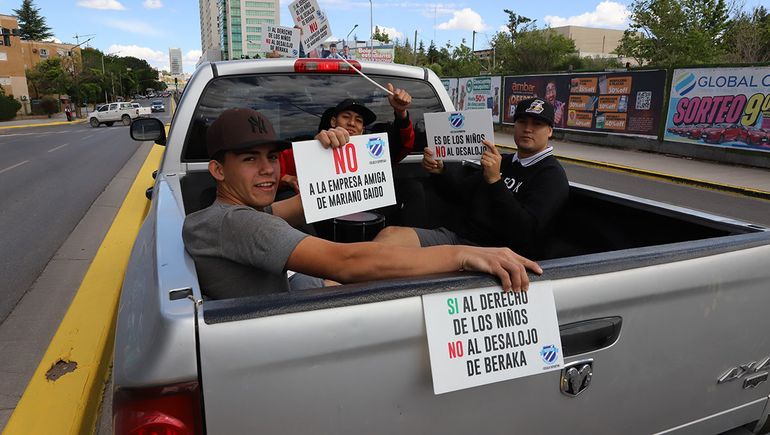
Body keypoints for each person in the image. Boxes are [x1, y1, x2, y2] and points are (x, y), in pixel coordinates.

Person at [182, 108, 542, 300]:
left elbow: (306, 205)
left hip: (305, 292)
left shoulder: (236, 213)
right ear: (217, 169)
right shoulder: (237, 223)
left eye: (272, 158)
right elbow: (348, 262)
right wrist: (461, 255)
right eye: (249, 159)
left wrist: (334, 157)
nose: (267, 170)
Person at [373, 97, 569, 259]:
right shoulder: (504, 161)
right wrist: (439, 171)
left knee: (400, 263)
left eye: (537, 124)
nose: (528, 129)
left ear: (550, 131)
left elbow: (526, 232)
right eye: (522, 122)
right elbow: (459, 194)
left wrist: (495, 182)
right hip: (460, 240)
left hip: (496, 255)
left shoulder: (551, 175)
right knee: (389, 236)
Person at [278, 84, 415, 192]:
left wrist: (401, 112)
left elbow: (403, 146)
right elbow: (273, 167)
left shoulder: (374, 152)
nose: (352, 123)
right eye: (346, 117)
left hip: (367, 219)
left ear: (362, 129)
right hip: (319, 223)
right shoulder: (312, 145)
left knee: (413, 188)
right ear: (333, 122)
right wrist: (286, 179)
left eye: (359, 120)